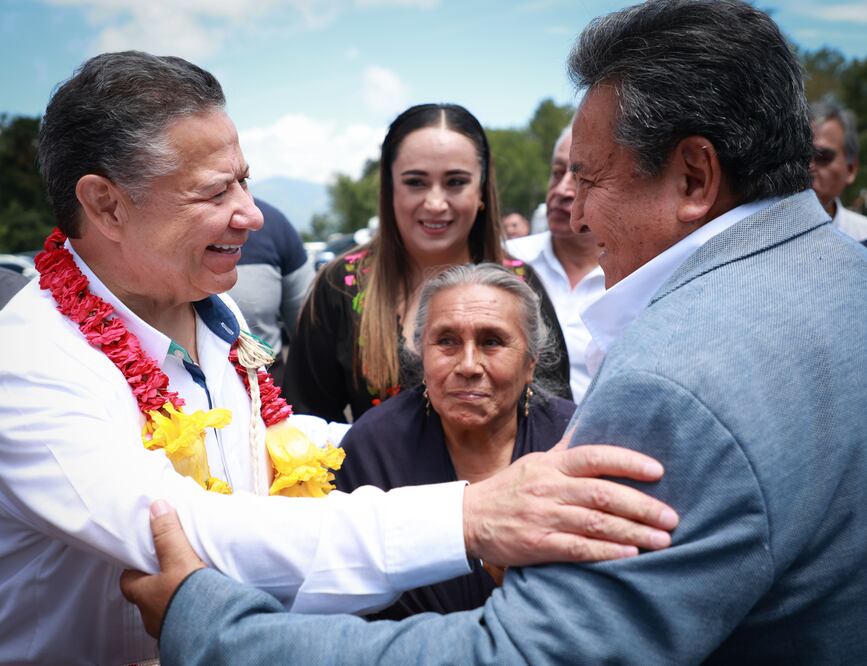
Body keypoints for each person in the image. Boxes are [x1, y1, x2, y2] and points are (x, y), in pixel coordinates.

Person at [124, 1, 867, 662]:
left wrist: (212, 625)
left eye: (593, 178)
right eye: (443, 341)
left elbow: (527, 651)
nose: (572, 211)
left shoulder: (671, 382)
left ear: (695, 178)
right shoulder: (842, 279)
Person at [0, 51, 679, 665]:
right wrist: (469, 514)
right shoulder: (31, 363)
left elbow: (270, 443)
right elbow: (187, 529)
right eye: (214, 192)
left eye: (245, 182)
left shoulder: (212, 309)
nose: (253, 215)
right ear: (105, 205)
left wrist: (430, 429)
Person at [284, 103, 572, 423]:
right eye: (416, 182)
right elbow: (304, 425)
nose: (435, 203)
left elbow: (554, 419)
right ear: (390, 188)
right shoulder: (341, 284)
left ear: (481, 191)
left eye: (455, 182)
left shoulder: (520, 284)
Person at [335, 263, 580, 617]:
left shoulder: (570, 440)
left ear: (531, 363)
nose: (468, 365)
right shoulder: (374, 448)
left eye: (492, 342)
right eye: (447, 341)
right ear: (421, 352)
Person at [507, 125, 605, 402]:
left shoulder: (640, 277)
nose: (562, 190)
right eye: (558, 173)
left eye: (580, 177)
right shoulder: (508, 261)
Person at [227, 197, 314, 384]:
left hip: (268, 391)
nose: (254, 218)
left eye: (243, 180)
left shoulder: (274, 224)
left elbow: (311, 337)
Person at [809, 98, 867, 241]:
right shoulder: (761, 234)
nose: (809, 166)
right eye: (799, 156)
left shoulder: (863, 236)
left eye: (822, 156)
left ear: (850, 169)